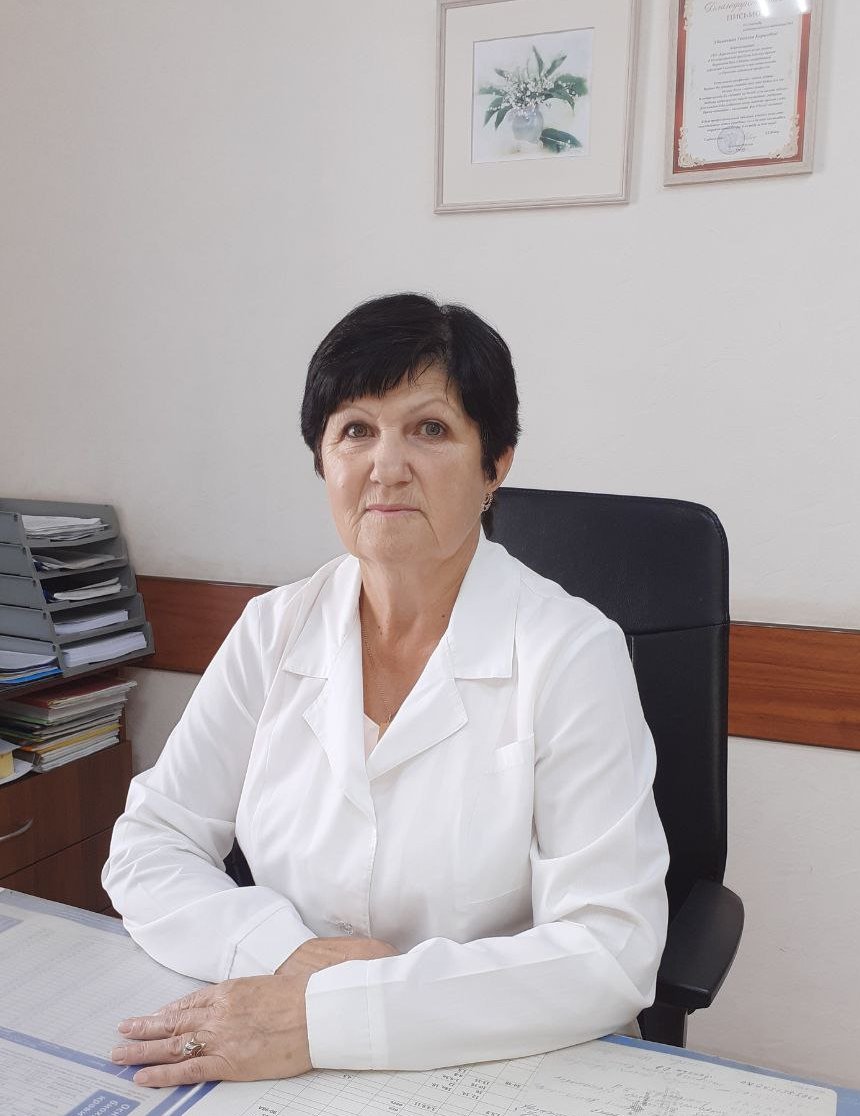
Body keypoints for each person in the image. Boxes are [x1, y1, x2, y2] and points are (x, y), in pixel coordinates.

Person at [103, 292, 669, 1088]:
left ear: (496, 464)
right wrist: (286, 956)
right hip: (280, 1051)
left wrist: (331, 1014)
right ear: (323, 460)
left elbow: (610, 950)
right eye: (355, 430)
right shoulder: (274, 630)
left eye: (430, 429)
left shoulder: (573, 653)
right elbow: (150, 844)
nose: (386, 466)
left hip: (501, 1067)